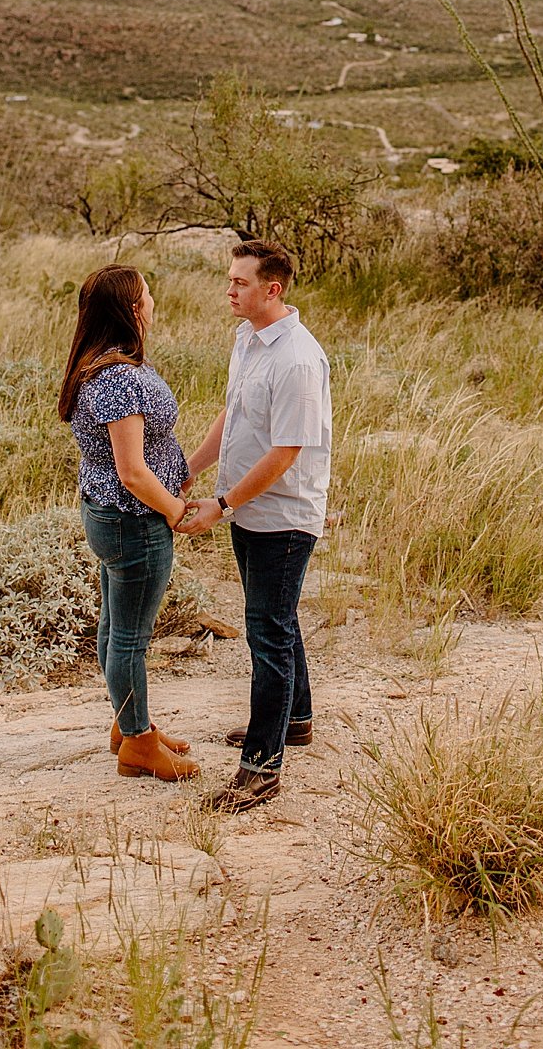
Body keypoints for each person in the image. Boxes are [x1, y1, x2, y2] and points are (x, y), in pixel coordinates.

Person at [176, 240, 331, 813]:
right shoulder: (248, 337)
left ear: (274, 288)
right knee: (277, 619)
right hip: (248, 507)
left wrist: (223, 504)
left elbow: (287, 452)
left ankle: (262, 769)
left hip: (282, 517)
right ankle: (296, 720)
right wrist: (191, 469)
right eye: (229, 279)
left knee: (266, 632)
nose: (229, 290)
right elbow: (233, 413)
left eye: (240, 282)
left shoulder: (297, 359)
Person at [57, 264, 199, 782]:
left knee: (115, 624)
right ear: (133, 309)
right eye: (148, 294)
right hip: (134, 520)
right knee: (130, 637)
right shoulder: (119, 379)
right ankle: (138, 746)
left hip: (107, 514)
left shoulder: (97, 365)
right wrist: (176, 509)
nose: (154, 301)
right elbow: (133, 471)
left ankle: (129, 721)